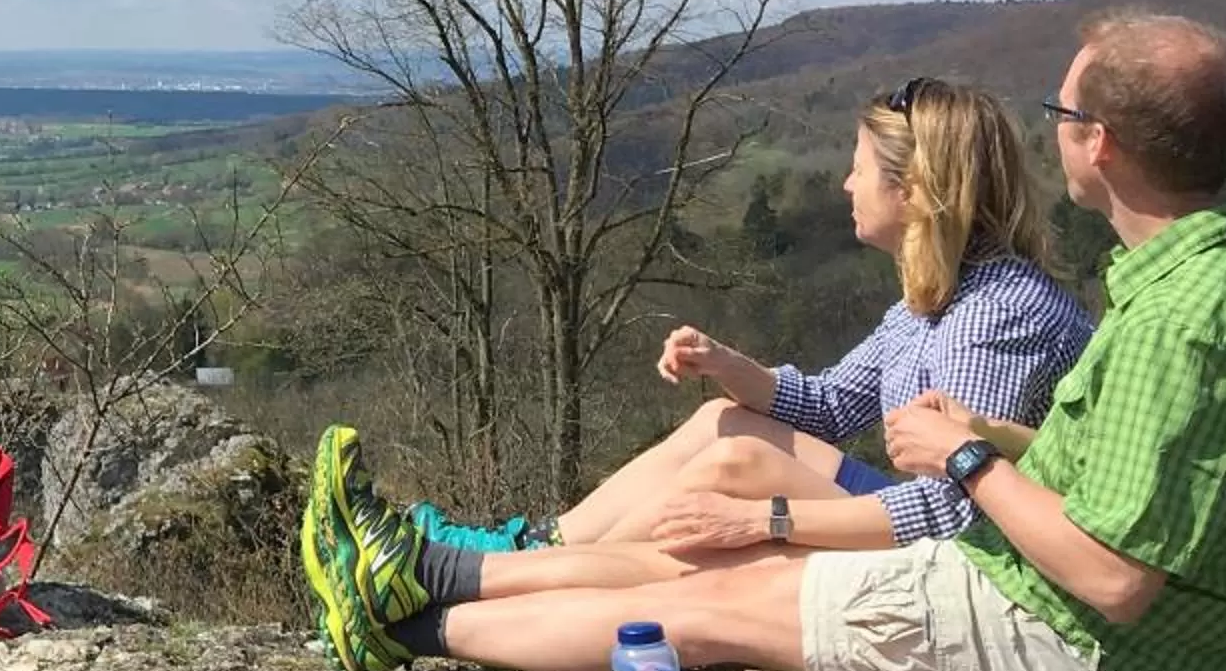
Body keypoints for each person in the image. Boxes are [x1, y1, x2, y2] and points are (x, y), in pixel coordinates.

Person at [308, 13, 1226, 671]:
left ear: (1101, 142)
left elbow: (1114, 577)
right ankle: (433, 577)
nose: (1055, 137)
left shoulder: (1170, 318)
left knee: (710, 598)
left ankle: (409, 616)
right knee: (723, 525)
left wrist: (961, 455)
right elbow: (1123, 482)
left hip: (1114, 644)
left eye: (1064, 117)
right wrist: (983, 446)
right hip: (1166, 624)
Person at [313, 78, 1094, 618]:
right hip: (926, 518)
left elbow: (953, 508)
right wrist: (729, 366)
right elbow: (828, 406)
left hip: (968, 555)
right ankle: (518, 551)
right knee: (725, 422)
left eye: (857, 170)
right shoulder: (941, 296)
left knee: (731, 475)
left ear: (915, 191)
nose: (844, 186)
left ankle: (473, 577)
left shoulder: (997, 317)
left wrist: (771, 521)